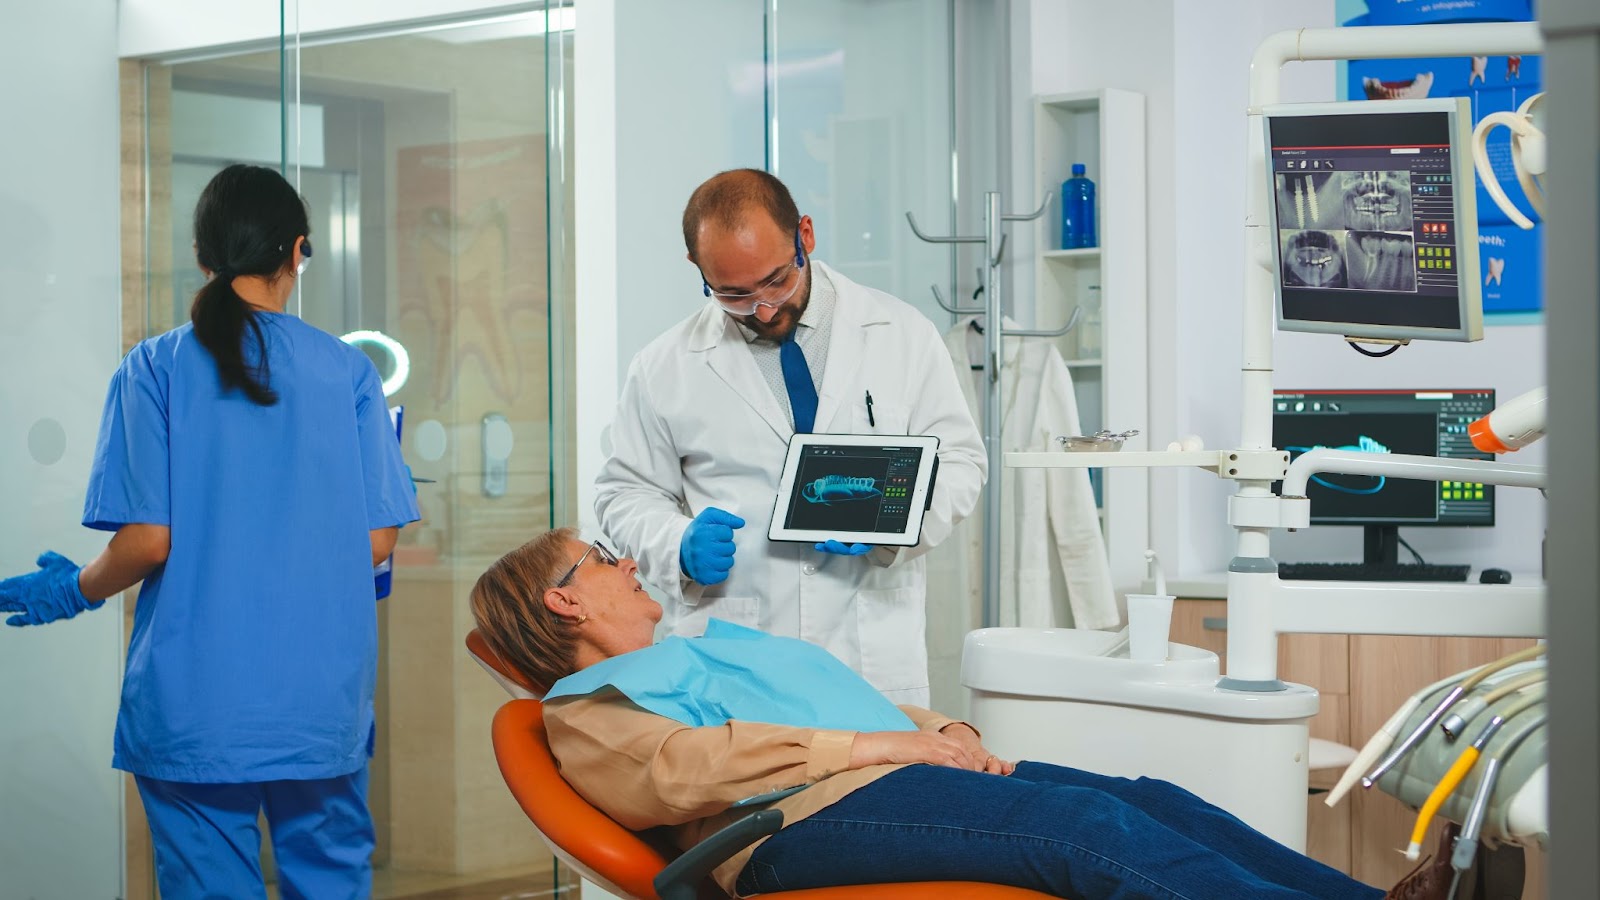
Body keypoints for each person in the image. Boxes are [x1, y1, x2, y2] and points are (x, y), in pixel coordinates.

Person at [471, 529, 1456, 900]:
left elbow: (838, 700)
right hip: (790, 829)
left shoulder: (701, 646)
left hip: (888, 776)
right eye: (602, 556)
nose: (626, 560)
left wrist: (944, 731)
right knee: (1087, 833)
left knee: (1151, 800)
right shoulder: (583, 707)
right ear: (566, 601)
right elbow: (682, 774)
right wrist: (887, 745)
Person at [0, 165, 420, 899]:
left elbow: (147, 542)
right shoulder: (349, 374)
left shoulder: (153, 369)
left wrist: (73, 588)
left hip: (195, 704)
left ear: (203, 255)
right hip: (318, 701)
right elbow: (378, 543)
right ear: (297, 252)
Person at [595, 169, 986, 705]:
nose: (763, 309)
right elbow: (625, 491)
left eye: (776, 281)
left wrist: (897, 523)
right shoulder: (664, 365)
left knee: (886, 785)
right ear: (697, 266)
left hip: (869, 649)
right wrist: (677, 544)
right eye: (732, 294)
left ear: (805, 235)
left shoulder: (901, 334)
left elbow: (962, 462)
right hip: (737, 653)